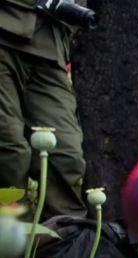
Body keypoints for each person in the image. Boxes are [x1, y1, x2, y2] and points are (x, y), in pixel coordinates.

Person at [0, 0, 87, 219]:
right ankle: (12, 240)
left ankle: (66, 244)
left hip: (50, 40)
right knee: (9, 150)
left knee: (66, 154)